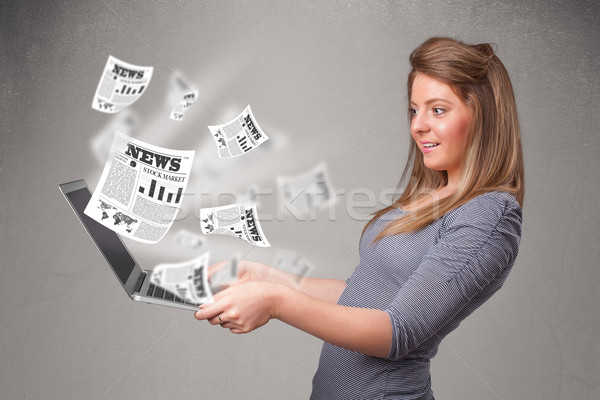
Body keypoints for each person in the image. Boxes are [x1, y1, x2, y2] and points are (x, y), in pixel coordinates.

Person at [194, 36, 524, 400]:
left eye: (438, 110)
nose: (418, 126)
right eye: (414, 110)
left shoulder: (490, 214)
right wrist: (267, 276)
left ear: (483, 114)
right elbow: (362, 296)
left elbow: (398, 332)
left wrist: (276, 302)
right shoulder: (434, 194)